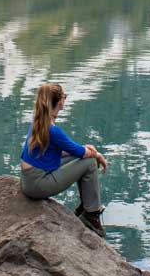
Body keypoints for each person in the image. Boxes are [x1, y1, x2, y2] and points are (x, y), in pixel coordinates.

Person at [19, 82, 109, 236]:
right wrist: (97, 155)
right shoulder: (53, 130)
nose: (65, 100)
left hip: (30, 180)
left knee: (83, 156)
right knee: (90, 162)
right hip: (38, 184)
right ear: (59, 102)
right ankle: (91, 215)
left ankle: (86, 207)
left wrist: (85, 149)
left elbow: (67, 150)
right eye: (64, 97)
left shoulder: (38, 121)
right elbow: (82, 153)